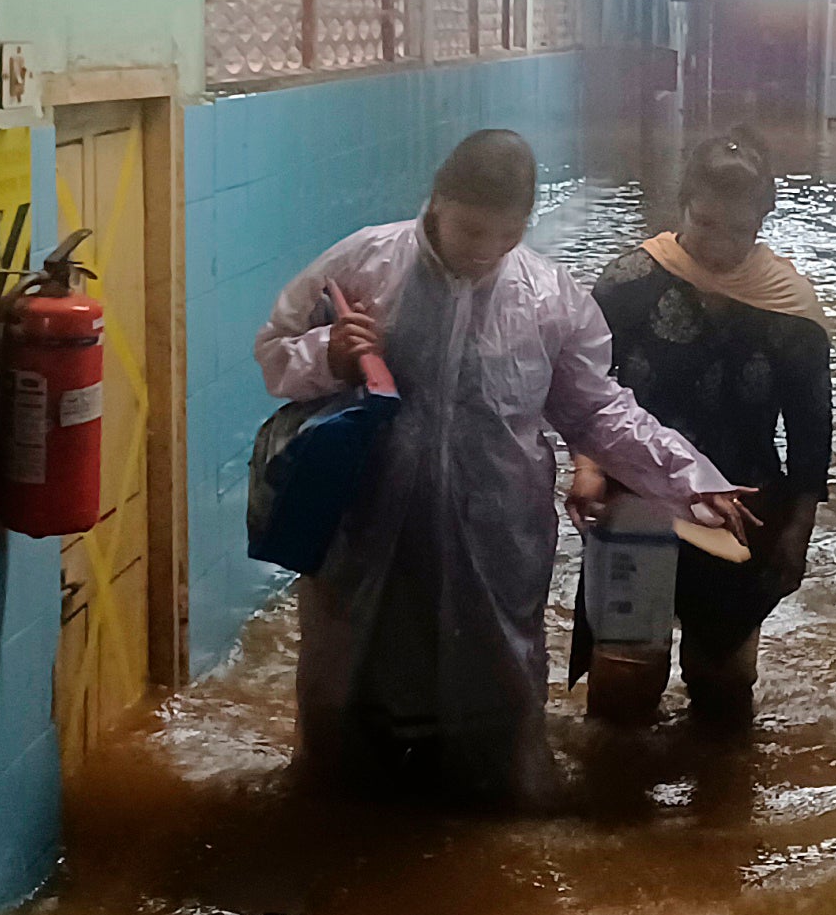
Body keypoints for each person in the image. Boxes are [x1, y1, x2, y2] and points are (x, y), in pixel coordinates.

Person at [256, 129, 753, 807]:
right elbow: (276, 355)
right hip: (366, 525)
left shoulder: (549, 298)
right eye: (469, 229)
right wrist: (330, 356)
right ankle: (342, 810)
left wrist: (688, 476)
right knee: (353, 673)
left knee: (495, 680)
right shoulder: (365, 263)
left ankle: (497, 814)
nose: (485, 250)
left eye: (505, 233)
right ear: (436, 202)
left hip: (493, 530)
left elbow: (597, 411)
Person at [571, 131, 831, 722]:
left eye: (739, 231)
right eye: (705, 222)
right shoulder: (628, 286)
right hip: (636, 498)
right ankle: (617, 805)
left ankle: (720, 806)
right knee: (624, 683)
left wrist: (797, 531)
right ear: (682, 204)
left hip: (741, 509)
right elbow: (585, 389)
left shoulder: (790, 309)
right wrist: (587, 469)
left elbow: (811, 431)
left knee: (724, 688)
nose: (718, 245)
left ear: (764, 220)